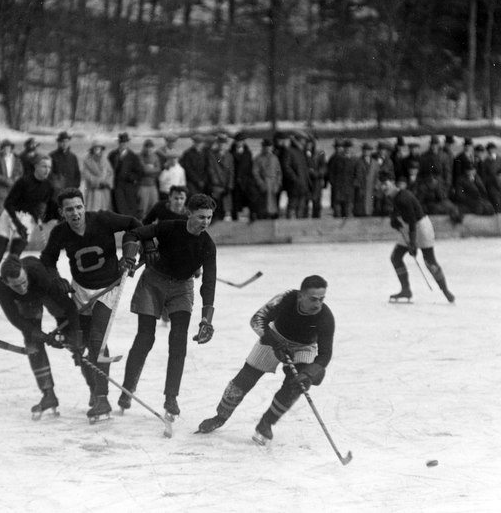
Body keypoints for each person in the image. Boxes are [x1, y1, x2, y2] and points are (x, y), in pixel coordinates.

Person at [40, 187, 142, 422]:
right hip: (80, 291)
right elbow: (47, 259)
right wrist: (58, 279)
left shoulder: (103, 219)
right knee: (80, 346)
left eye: (79, 207)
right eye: (69, 210)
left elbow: (135, 224)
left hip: (107, 290)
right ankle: (95, 391)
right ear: (61, 212)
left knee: (98, 341)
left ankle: (103, 398)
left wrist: (130, 253)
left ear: (85, 207)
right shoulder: (60, 232)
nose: (75, 213)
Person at [197, 275, 334, 446]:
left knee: (298, 384)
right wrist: (274, 343)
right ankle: (220, 416)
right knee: (246, 377)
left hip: (303, 347)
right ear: (301, 296)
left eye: (321, 299)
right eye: (313, 299)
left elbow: (325, 353)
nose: (318, 305)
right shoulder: (286, 299)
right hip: (274, 337)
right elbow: (257, 319)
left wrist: (310, 372)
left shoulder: (326, 317)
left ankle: (266, 423)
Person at [118, 193, 217, 419]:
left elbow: (209, 282)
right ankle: (127, 389)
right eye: (201, 217)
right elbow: (134, 232)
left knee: (178, 340)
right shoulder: (169, 227)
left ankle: (171, 397)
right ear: (189, 213)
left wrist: (206, 319)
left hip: (182, 288)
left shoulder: (207, 245)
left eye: (209, 218)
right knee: (145, 338)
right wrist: (141, 250)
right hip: (153, 283)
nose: (206, 222)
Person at [0, 255, 83, 419]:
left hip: (43, 290)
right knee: (32, 342)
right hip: (27, 304)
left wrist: (76, 337)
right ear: (6, 283)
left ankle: (96, 392)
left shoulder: (39, 276)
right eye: (16, 286)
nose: (21, 288)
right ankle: (48, 394)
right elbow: (17, 320)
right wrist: (43, 337)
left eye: (23, 282)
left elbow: (69, 308)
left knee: (71, 331)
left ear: (25, 273)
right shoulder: (1, 289)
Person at [0, 156, 55, 307]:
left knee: (13, 259)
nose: (47, 170)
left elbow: (42, 206)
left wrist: (39, 215)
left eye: (49, 167)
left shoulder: (48, 187)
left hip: (26, 220)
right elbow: (8, 203)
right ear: (36, 167)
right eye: (44, 166)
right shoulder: (23, 182)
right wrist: (18, 225)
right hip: (9, 216)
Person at [380, 174, 455, 303]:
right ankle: (406, 290)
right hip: (409, 227)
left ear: (393, 183)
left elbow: (413, 220)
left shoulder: (403, 198)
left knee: (429, 261)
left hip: (420, 228)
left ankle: (446, 291)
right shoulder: (395, 196)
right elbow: (399, 211)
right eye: (380, 184)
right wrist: (394, 218)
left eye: (385, 183)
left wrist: (413, 243)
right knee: (396, 257)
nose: (383, 187)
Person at [108, 132, 143, 217]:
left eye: (125, 142)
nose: (123, 144)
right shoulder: (112, 155)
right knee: (116, 211)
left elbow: (139, 173)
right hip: (115, 188)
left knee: (127, 211)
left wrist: (129, 176)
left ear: (128, 143)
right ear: (118, 143)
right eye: (121, 142)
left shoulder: (133, 157)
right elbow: (108, 170)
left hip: (128, 189)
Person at [0, 139, 22, 224]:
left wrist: (15, 179)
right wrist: (6, 180)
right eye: (4, 148)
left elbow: (20, 172)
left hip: (13, 184)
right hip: (1, 185)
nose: (7, 149)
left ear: (11, 148)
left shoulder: (16, 159)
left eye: (8, 147)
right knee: (0, 203)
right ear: (2, 149)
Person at [82, 141, 113, 211]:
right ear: (92, 149)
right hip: (93, 190)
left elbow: (110, 173)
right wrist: (98, 182)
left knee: (104, 210)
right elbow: (86, 175)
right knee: (93, 210)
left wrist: (107, 182)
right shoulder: (87, 161)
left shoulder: (105, 160)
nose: (97, 150)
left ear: (101, 149)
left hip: (104, 190)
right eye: (95, 148)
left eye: (99, 148)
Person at [49, 131, 81, 197]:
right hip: (56, 191)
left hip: (71, 190)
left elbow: (77, 173)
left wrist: (75, 187)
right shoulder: (52, 156)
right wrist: (54, 186)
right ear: (58, 142)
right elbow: (49, 174)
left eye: (66, 141)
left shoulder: (73, 157)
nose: (64, 144)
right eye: (62, 141)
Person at [137, 139, 161, 218]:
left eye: (150, 147)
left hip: (152, 185)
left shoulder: (155, 157)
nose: (148, 149)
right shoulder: (140, 156)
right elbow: (144, 170)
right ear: (144, 147)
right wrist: (152, 168)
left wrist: (150, 168)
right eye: (147, 147)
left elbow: (158, 170)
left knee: (153, 206)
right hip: (143, 185)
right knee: (142, 207)